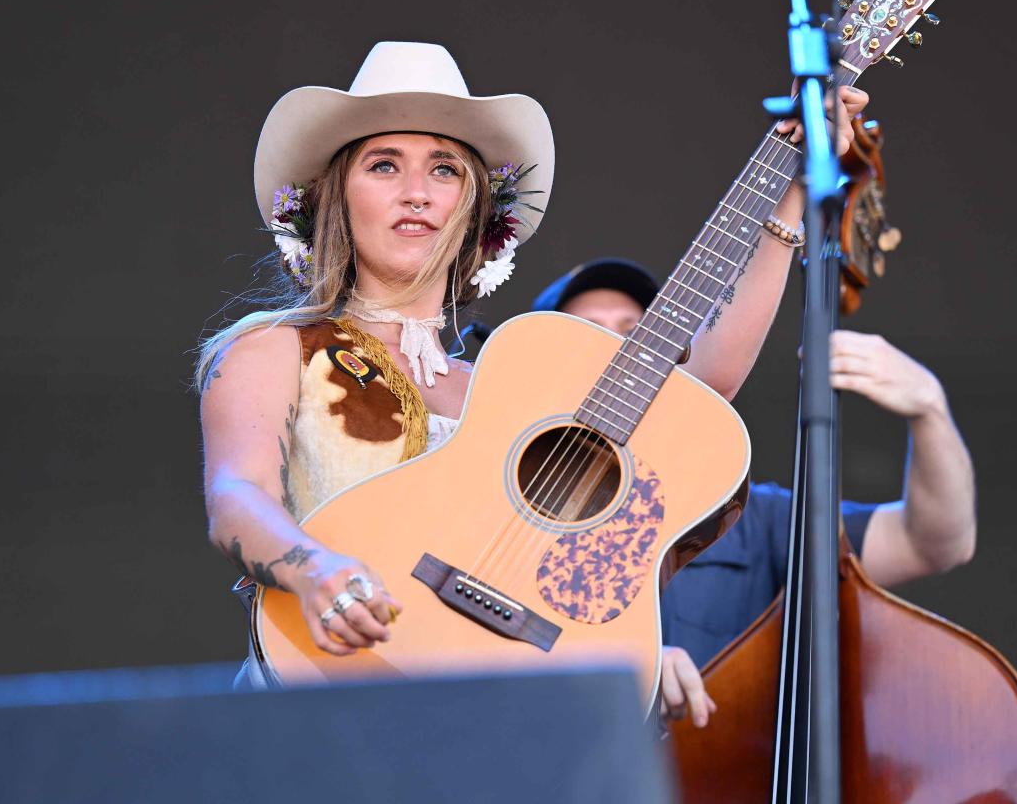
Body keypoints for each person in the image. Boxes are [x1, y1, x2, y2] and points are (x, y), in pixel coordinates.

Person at [195, 40, 867, 685]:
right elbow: (236, 494)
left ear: (474, 208)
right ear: (337, 195)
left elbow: (698, 390)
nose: (417, 192)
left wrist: (790, 198)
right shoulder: (275, 347)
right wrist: (314, 568)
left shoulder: (508, 381)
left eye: (444, 168)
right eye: (383, 164)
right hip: (330, 698)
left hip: (513, 722)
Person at [536, 258, 976, 727]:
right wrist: (620, 662)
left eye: (635, 332)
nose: (620, 350)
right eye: (590, 331)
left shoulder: (754, 518)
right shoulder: (492, 497)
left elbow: (931, 543)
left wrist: (930, 407)